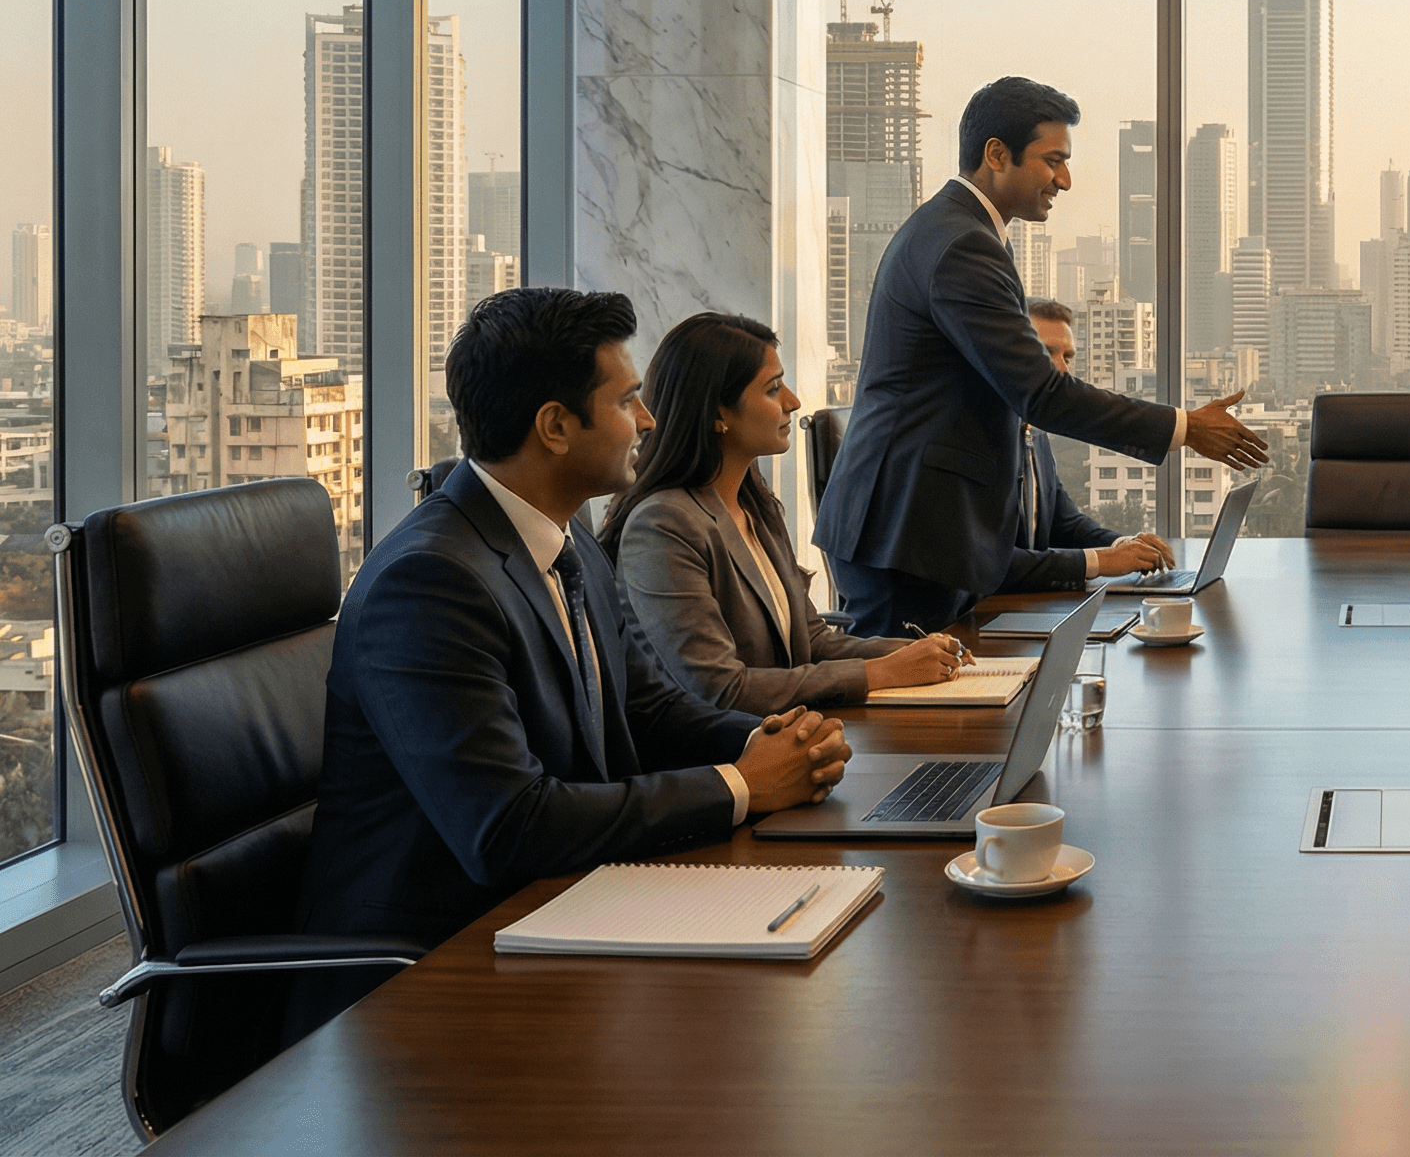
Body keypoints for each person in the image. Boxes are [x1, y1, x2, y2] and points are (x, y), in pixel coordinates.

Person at [293, 290, 851, 1028]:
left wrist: (765, 743)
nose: (648, 422)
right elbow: (508, 828)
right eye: (628, 401)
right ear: (555, 426)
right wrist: (741, 787)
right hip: (429, 978)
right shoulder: (428, 583)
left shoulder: (567, 536)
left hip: (562, 911)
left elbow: (647, 706)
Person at [813, 76, 1270, 634]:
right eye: (1053, 160)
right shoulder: (963, 244)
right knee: (908, 711)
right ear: (996, 155)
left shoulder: (964, 232)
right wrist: (1184, 428)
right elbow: (1041, 393)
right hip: (906, 531)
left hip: (917, 526)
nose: (1066, 180)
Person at [604, 312, 970, 713]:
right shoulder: (663, 525)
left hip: (798, 735)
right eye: (773, 389)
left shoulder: (754, 504)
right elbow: (719, 689)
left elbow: (811, 642)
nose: (793, 403)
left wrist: (915, 651)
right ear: (717, 413)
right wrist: (883, 673)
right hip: (729, 760)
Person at [1002, 298, 1177, 591]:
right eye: (1046, 352)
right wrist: (1098, 562)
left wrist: (1123, 545)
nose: (1061, 369)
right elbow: (991, 564)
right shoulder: (982, 444)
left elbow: (1067, 525)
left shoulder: (1035, 435)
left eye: (1067, 356)